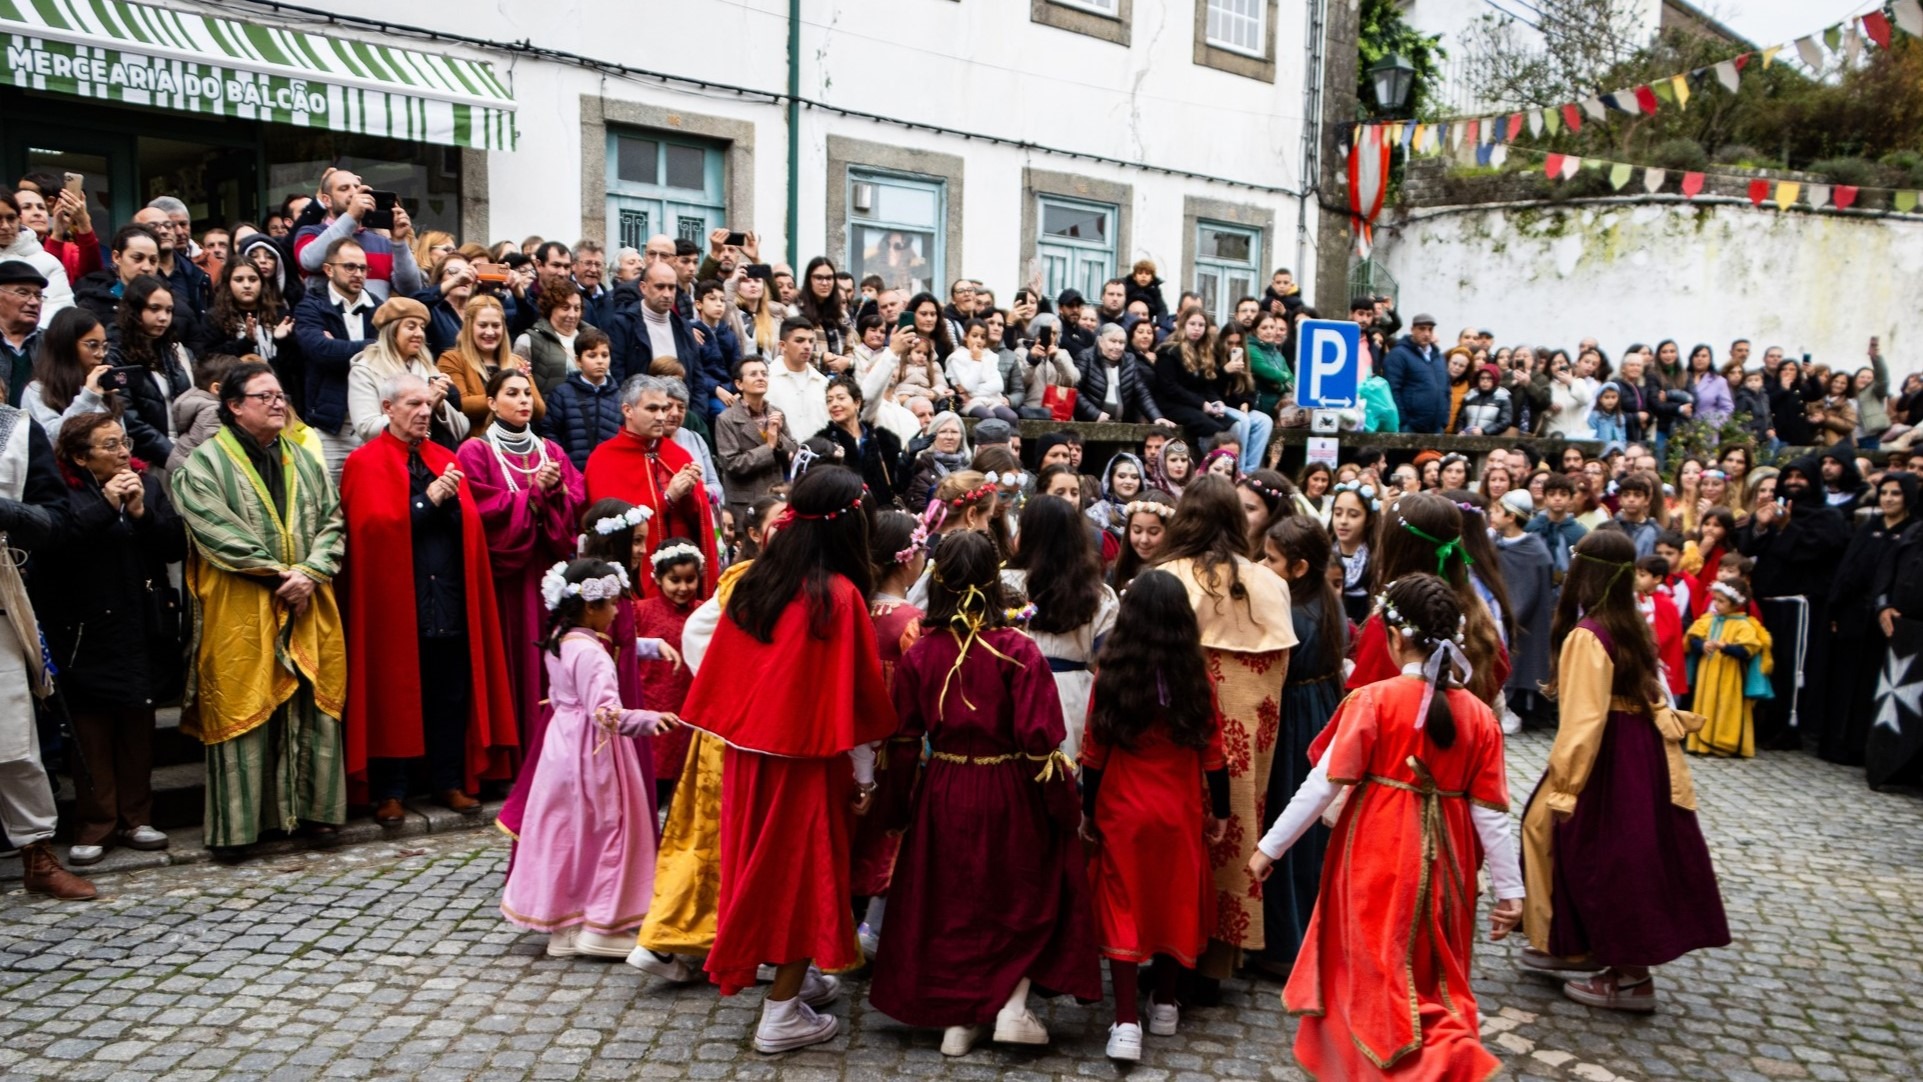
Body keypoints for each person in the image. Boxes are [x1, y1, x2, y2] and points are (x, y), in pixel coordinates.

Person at [1253, 573, 1519, 1080]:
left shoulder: (1372, 701)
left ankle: (1442, 1060)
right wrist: (1510, 890)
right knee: (1432, 972)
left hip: (1374, 854)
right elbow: (1491, 813)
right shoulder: (1481, 717)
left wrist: (1270, 847)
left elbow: (1322, 785)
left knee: (1375, 967)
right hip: (1451, 860)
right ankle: (1432, 1050)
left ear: (1394, 637)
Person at [677, 467, 896, 1052]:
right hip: (808, 762)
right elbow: (858, 702)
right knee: (805, 878)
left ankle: (798, 979)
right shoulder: (840, 598)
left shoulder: (754, 582)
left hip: (749, 759)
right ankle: (780, 1015)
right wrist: (867, 778)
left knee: (761, 869)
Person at [869, 529, 1101, 1057]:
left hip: (945, 788)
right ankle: (1007, 1006)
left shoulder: (923, 654)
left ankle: (964, 1016)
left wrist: (895, 809)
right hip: (1011, 787)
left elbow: (903, 743)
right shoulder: (1018, 650)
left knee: (956, 898)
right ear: (994, 582)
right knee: (1021, 893)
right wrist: (1065, 806)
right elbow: (1042, 743)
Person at [1520, 529, 1731, 1011]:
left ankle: (1630, 976)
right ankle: (1579, 944)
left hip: (1609, 758)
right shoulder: (1627, 623)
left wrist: (1567, 787)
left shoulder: (1590, 635)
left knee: (1609, 857)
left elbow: (1583, 721)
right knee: (1609, 851)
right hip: (1637, 752)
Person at [170, 363, 347, 855]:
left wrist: (310, 572)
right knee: (244, 701)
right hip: (242, 605)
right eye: (265, 395)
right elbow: (215, 531)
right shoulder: (202, 465)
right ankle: (241, 829)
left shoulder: (305, 461)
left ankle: (312, 813)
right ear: (233, 406)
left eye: (281, 394)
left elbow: (333, 521)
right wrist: (280, 575)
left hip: (308, 599)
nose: (278, 403)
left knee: (308, 705)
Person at [339, 374, 518, 822]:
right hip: (396, 603)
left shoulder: (445, 457)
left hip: (449, 597)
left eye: (428, 404)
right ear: (387, 408)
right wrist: (427, 502)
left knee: (449, 694)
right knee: (391, 692)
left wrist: (448, 503)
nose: (423, 412)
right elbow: (371, 532)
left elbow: (471, 530)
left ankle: (448, 782)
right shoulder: (365, 463)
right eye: (413, 404)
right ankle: (391, 791)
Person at [1078, 568, 1228, 1061]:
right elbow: (1215, 753)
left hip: (1123, 810)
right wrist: (1221, 813)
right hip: (1179, 811)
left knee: (1126, 905)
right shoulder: (1198, 679)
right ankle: (1165, 1003)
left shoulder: (1112, 674)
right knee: (1172, 900)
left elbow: (1093, 753)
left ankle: (1125, 1023)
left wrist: (1087, 811)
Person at [1154, 476, 1296, 990]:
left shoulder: (1169, 577)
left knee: (1184, 833)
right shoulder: (1271, 583)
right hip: (1253, 730)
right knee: (1239, 830)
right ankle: (1218, 961)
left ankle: (1171, 951)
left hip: (1183, 728)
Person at [500, 558, 675, 957]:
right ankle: (602, 924)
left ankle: (565, 924)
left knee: (568, 831)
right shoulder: (592, 653)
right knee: (609, 829)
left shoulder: (560, 640)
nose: (617, 611)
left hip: (561, 746)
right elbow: (606, 714)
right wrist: (650, 719)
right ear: (591, 607)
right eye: (612, 604)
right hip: (593, 749)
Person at [36, 413, 184, 867]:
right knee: (91, 731)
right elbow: (60, 544)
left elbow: (175, 544)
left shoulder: (147, 485)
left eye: (124, 443)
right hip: (83, 630)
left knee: (138, 726)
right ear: (81, 456)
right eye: (110, 445)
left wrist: (140, 513)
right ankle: (95, 822)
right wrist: (106, 506)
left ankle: (137, 817)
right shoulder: (62, 491)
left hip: (140, 625)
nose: (124, 453)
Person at [455, 368, 585, 743]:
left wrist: (556, 489)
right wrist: (533, 497)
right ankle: (514, 748)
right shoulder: (474, 450)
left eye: (527, 393)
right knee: (513, 658)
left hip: (548, 572)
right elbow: (478, 508)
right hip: (508, 577)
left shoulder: (551, 451)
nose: (523, 400)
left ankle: (557, 747)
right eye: (512, 394)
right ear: (492, 404)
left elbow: (577, 498)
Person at [1251, 517, 1347, 975]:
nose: (1261, 565)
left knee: (1287, 816)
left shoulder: (1296, 614)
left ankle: (1284, 940)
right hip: (1318, 706)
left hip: (1295, 717)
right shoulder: (1323, 601)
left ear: (1300, 567)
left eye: (1270, 560)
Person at [1002, 494, 1118, 758]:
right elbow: (1108, 660)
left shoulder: (1002, 583)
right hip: (1075, 698)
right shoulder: (1098, 593)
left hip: (1013, 691)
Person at [584, 376, 719, 597]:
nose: (661, 417)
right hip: (640, 579)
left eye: (664, 409)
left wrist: (690, 495)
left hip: (682, 579)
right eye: (652, 409)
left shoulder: (677, 454)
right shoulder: (604, 459)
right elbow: (612, 526)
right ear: (628, 410)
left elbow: (699, 519)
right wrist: (668, 497)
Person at [1821, 472, 1915, 766]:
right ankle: (1836, 741)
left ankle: (1862, 745)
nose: (1888, 498)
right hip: (1853, 615)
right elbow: (1848, 571)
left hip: (1883, 621)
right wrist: (1835, 609)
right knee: (1844, 680)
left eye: (1896, 494)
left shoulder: (1913, 532)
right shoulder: (1868, 528)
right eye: (1884, 492)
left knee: (1870, 684)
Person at [294, 238, 381, 474]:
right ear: (328, 269)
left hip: (374, 418)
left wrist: (341, 348)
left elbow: (391, 353)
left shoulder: (378, 307)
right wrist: (374, 346)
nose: (358, 274)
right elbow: (321, 351)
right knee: (329, 500)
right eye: (350, 267)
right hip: (331, 422)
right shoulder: (310, 306)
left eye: (363, 268)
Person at [636, 540, 705, 809]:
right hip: (652, 708)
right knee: (649, 794)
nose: (683, 588)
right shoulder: (641, 611)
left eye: (690, 580)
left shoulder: (703, 612)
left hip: (690, 709)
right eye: (674, 580)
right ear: (658, 578)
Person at [346, 297, 467, 450]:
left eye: (422, 328)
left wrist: (441, 406)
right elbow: (367, 429)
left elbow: (462, 429)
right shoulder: (365, 370)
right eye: (411, 327)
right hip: (387, 460)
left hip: (429, 461)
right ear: (392, 331)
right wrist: (427, 402)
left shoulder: (428, 368)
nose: (419, 334)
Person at [291, 167, 423, 302]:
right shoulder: (310, 233)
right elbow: (311, 262)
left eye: (357, 187)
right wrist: (351, 216)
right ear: (327, 200)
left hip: (373, 321)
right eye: (344, 188)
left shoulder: (382, 243)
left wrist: (399, 242)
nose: (354, 193)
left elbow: (411, 289)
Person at [1683, 579, 1772, 757]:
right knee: (1705, 702)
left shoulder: (1743, 624)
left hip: (1730, 675)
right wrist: (1702, 645)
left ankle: (1724, 743)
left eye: (1721, 601)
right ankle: (1701, 742)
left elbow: (1748, 649)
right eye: (1714, 599)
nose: (1715, 604)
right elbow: (1692, 638)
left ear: (1735, 604)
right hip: (1708, 671)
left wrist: (1726, 647)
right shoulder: (1708, 620)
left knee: (1727, 706)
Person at [1491, 490, 1556, 730]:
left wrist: (1511, 614)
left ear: (1511, 517)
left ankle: (1513, 708)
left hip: (1520, 621)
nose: (1492, 514)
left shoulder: (1535, 552)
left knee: (1516, 661)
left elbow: (1530, 590)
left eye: (1497, 510)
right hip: (1497, 615)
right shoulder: (1493, 544)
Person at [109, 275, 191, 458]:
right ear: (135, 310)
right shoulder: (116, 354)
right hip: (146, 458)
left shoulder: (168, 349)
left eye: (169, 310)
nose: (163, 317)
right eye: (154, 309)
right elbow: (129, 419)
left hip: (182, 450)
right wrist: (174, 456)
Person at [439, 294, 545, 431]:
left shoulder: (516, 361)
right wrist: (507, 394)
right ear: (469, 327)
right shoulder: (451, 360)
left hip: (516, 442)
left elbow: (539, 410)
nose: (490, 332)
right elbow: (461, 405)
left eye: (496, 325)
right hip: (477, 443)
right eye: (483, 325)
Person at [814, 375, 902, 507]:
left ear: (857, 403)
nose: (834, 404)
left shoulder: (880, 439)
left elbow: (898, 482)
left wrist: (908, 458)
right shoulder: (824, 441)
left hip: (882, 515)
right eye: (829, 400)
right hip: (847, 516)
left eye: (841, 398)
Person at [1384, 313, 1449, 434]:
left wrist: (1443, 421)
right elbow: (1393, 389)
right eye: (1422, 329)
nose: (1427, 333)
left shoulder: (1439, 357)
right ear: (1412, 330)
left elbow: (1446, 390)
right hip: (1410, 427)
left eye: (1430, 329)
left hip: (1436, 428)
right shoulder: (1398, 354)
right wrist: (1403, 421)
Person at [1329, 480, 1379, 625]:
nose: (1343, 521)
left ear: (1368, 519)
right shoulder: (1324, 556)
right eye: (1338, 513)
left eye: (1353, 515)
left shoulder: (1375, 561)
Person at [901, 410, 969, 514]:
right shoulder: (921, 467)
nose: (949, 437)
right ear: (932, 436)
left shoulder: (970, 467)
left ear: (962, 436)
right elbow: (919, 507)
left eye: (954, 432)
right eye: (943, 432)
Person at [1107, 490, 1173, 592]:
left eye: (1153, 532)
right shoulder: (1116, 573)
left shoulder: (1179, 573)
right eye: (1137, 531)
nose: (1144, 540)